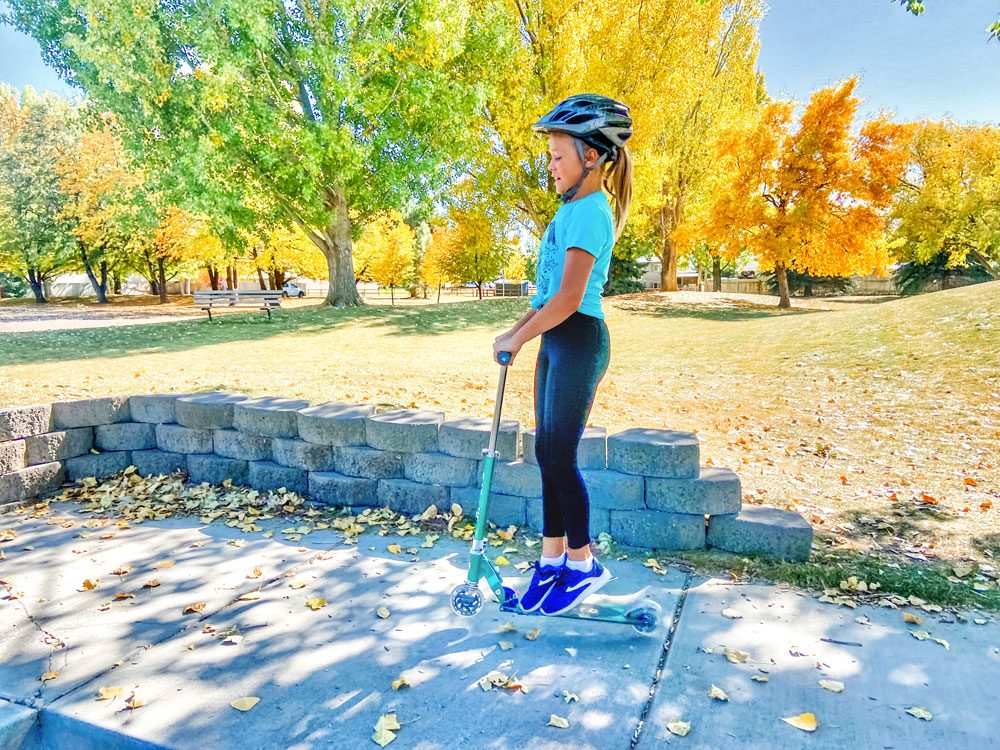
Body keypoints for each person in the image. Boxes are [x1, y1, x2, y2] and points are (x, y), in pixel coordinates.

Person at [492, 94, 633, 616]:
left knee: (560, 455)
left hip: (579, 339)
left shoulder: (592, 212)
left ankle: (583, 563)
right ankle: (552, 558)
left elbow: (571, 298)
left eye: (557, 156)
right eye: (549, 156)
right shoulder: (570, 210)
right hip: (557, 338)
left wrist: (521, 338)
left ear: (590, 156)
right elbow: (547, 296)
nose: (550, 166)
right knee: (546, 453)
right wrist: (514, 332)